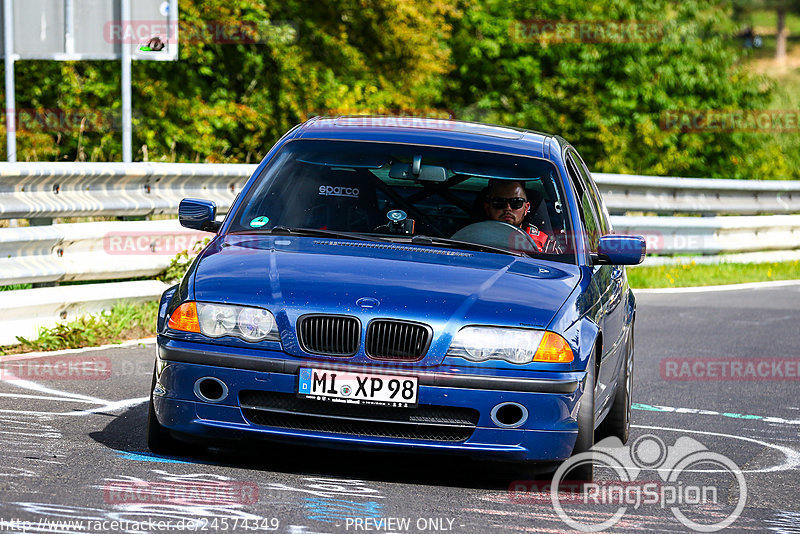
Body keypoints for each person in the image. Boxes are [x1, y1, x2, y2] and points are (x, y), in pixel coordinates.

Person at [483, 179, 563, 253]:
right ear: (487, 207)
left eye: (516, 203)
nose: (508, 208)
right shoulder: (472, 237)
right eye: (499, 202)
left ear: (526, 208)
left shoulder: (545, 244)